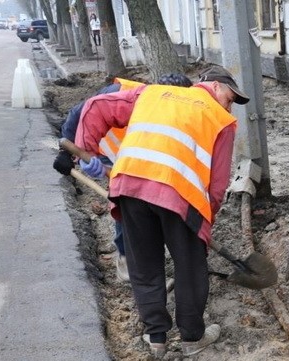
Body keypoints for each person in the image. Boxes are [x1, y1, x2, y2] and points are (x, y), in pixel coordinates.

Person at [73, 65, 248, 358]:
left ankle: (156, 338)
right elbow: (217, 186)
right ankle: (192, 338)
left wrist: (86, 151)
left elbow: (96, 106)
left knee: (144, 265)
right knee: (190, 267)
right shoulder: (221, 120)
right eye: (230, 99)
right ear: (215, 86)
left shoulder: (151, 93)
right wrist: (204, 224)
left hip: (130, 185)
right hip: (181, 195)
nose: (230, 107)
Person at [53, 73, 194, 282]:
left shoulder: (183, 113)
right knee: (127, 204)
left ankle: (148, 254)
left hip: (135, 156)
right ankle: (127, 262)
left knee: (146, 203)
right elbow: (80, 112)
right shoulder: (122, 94)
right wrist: (68, 152)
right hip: (104, 152)